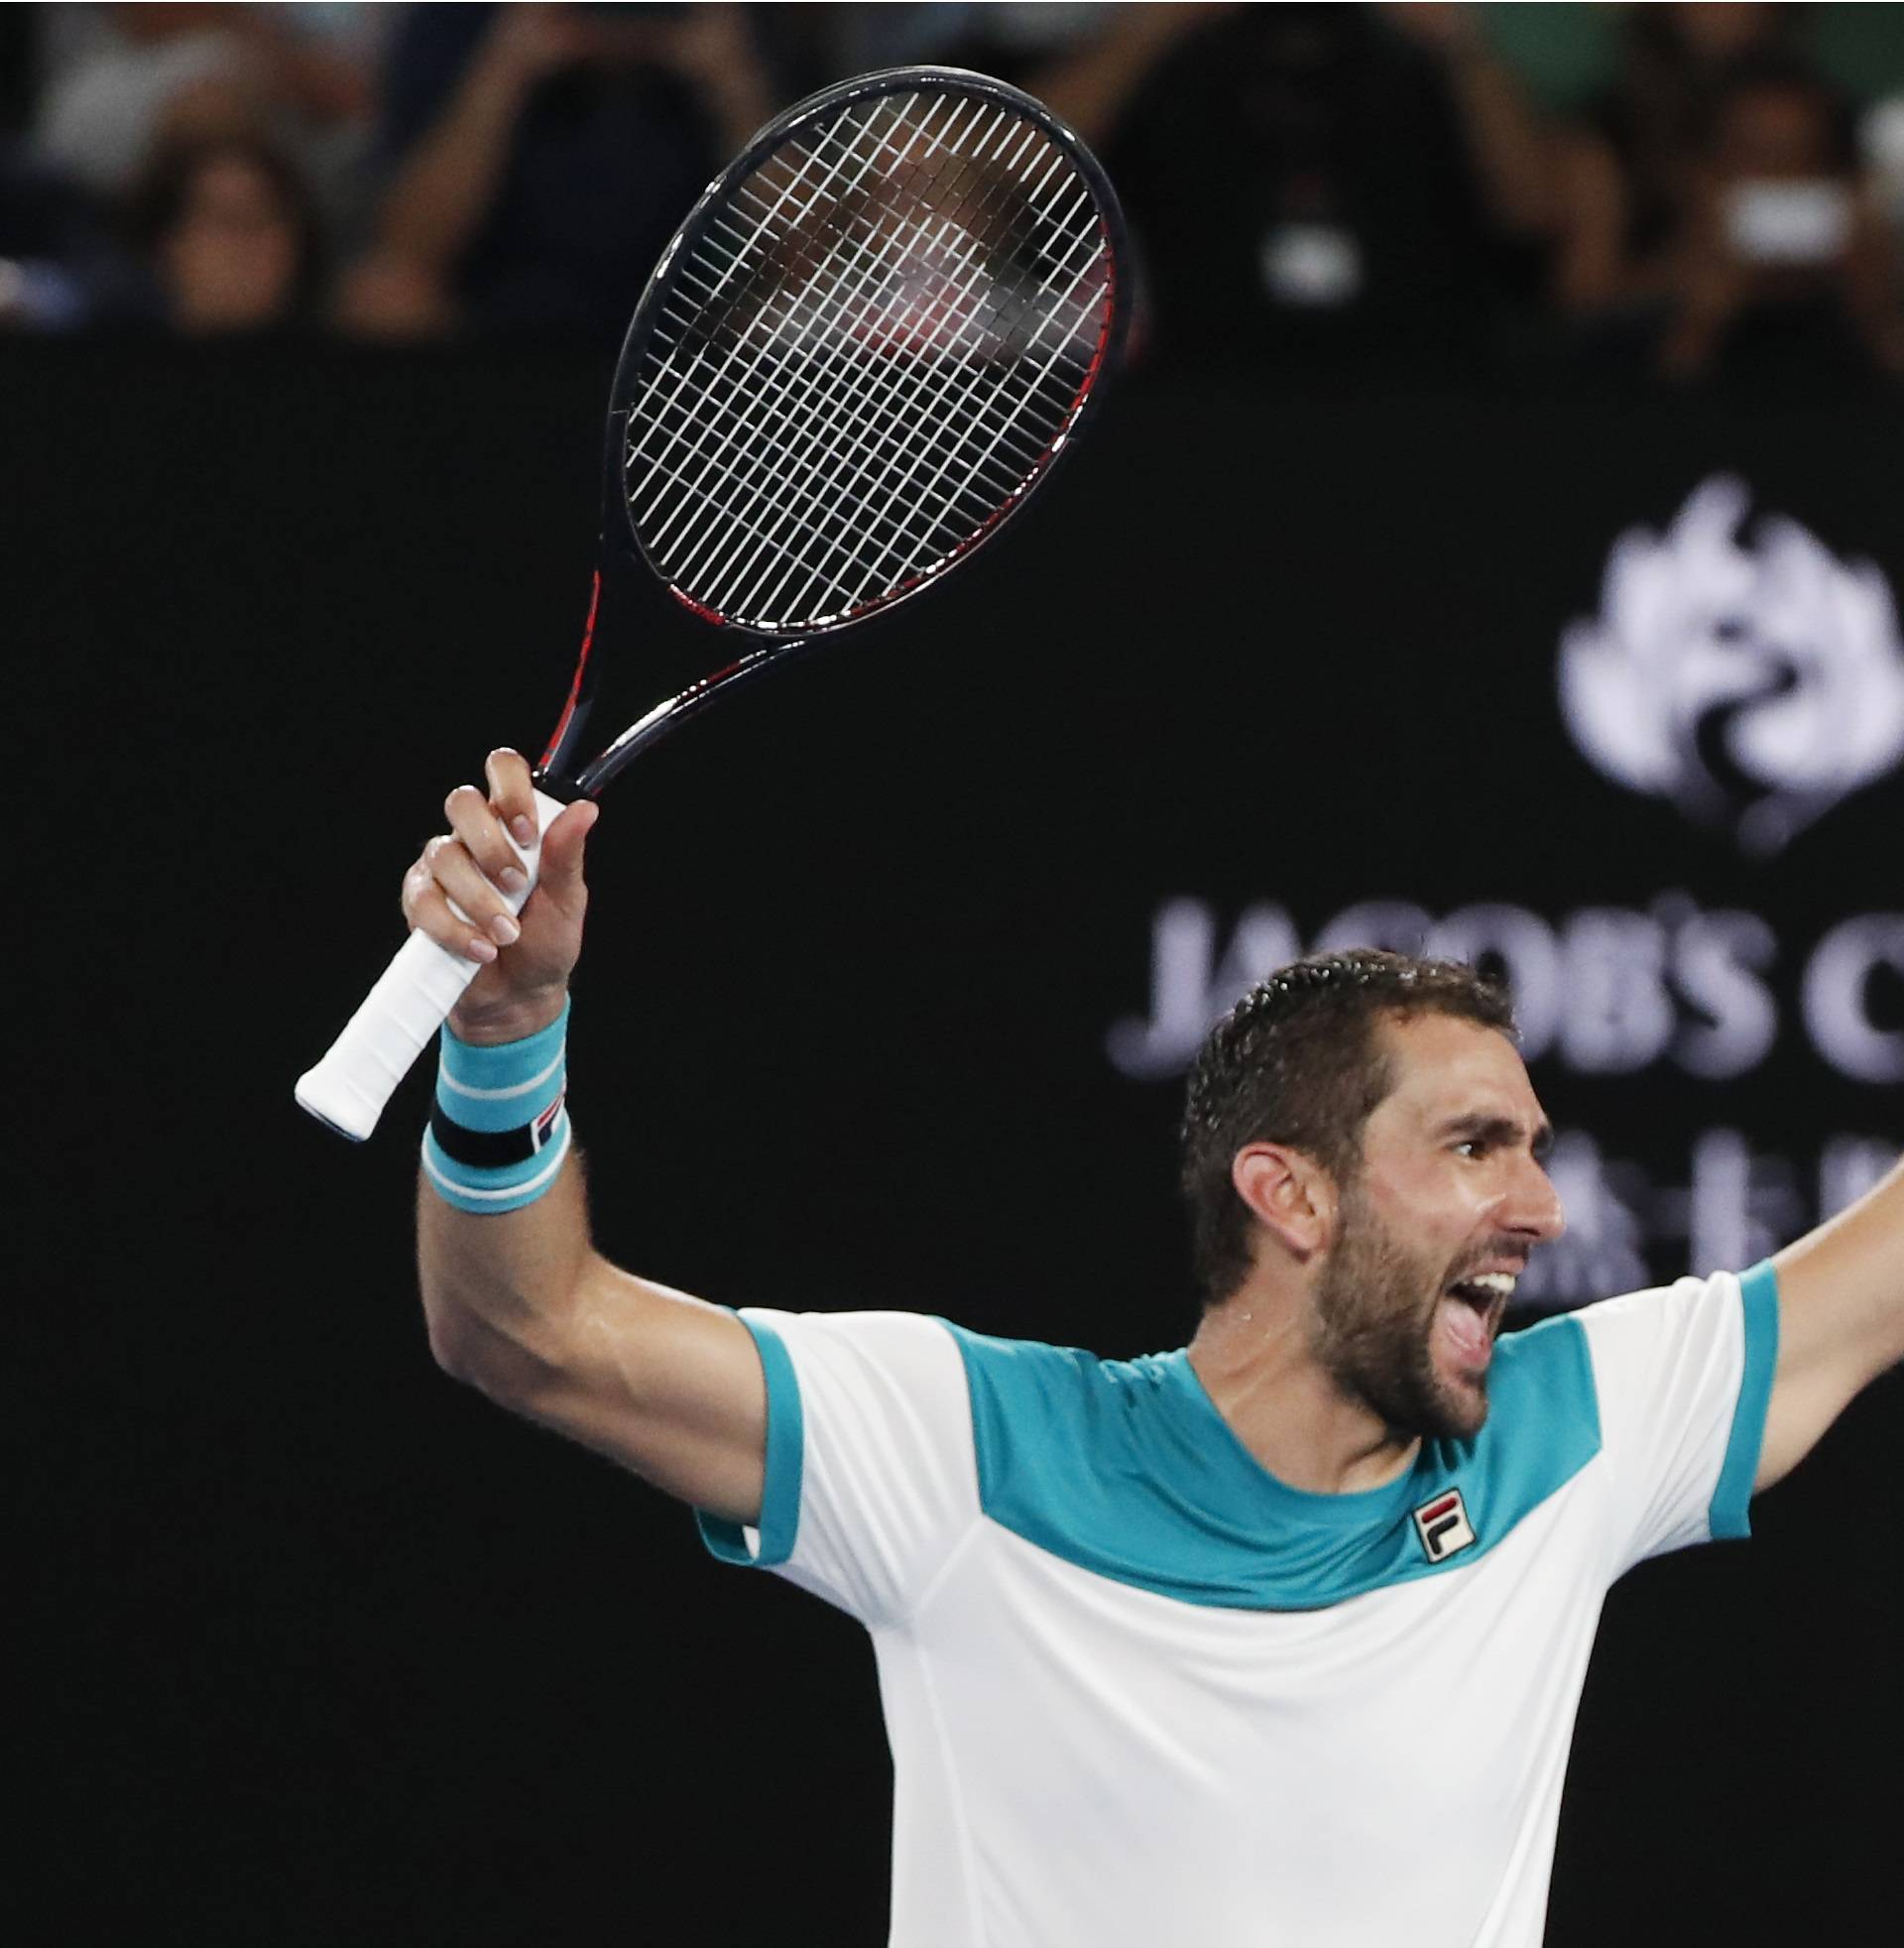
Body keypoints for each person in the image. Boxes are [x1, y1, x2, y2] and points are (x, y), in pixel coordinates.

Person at [403, 748, 1902, 1947]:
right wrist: (509, 1027)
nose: (1540, 1205)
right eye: (1475, 1146)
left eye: (1533, 1147)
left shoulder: (1566, 1440)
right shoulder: (968, 1452)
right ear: (1290, 1193)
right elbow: (526, 1330)